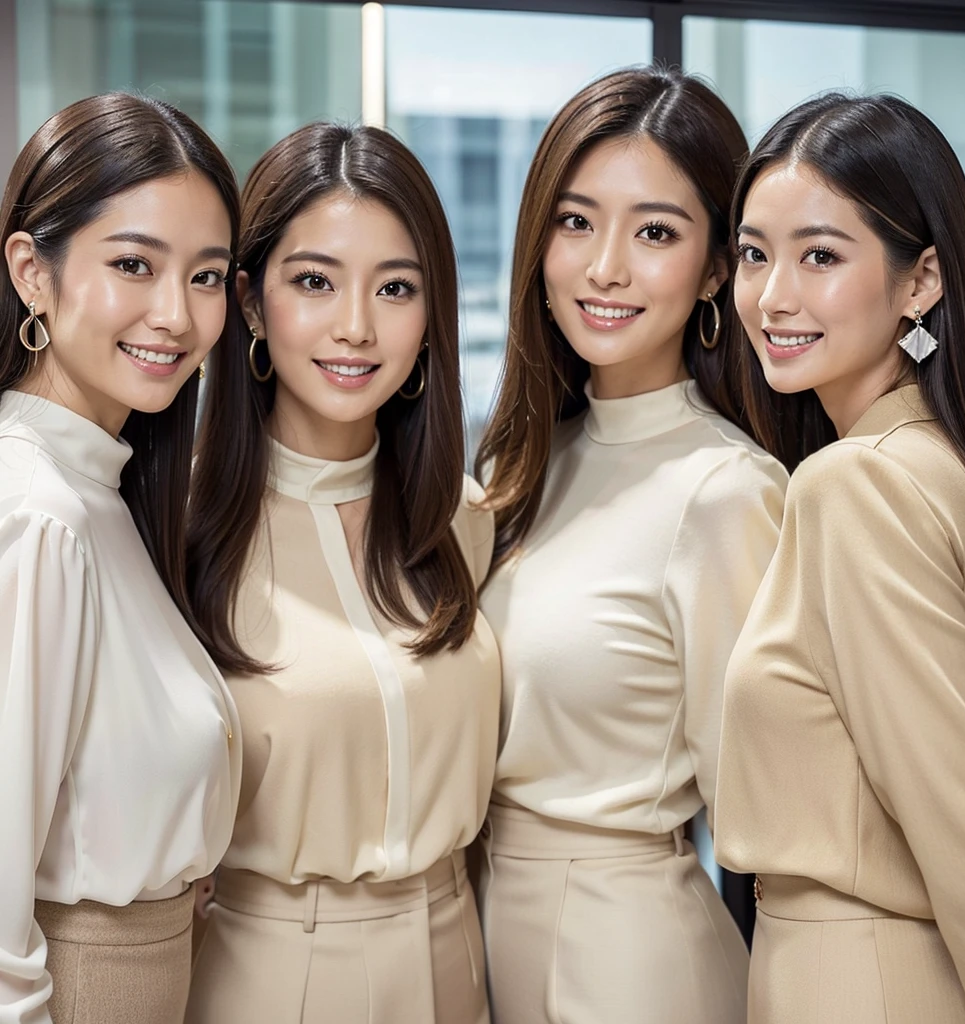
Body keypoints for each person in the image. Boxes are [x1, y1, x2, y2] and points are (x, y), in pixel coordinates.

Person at [475, 67, 788, 1024]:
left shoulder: (726, 490)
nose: (604, 265)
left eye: (655, 232)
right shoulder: (525, 463)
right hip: (478, 929)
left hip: (624, 959)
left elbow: (763, 817)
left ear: (714, 271)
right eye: (575, 222)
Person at [715, 92, 965, 1024]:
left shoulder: (857, 485)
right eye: (754, 254)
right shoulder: (931, 463)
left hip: (859, 978)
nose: (773, 296)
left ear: (921, 280)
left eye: (820, 256)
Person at [184, 122, 499, 1024]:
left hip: (457, 958)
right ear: (249, 301)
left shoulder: (461, 522)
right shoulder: (182, 534)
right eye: (314, 282)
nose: (356, 327)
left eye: (395, 288)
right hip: (273, 974)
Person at [0, 92, 242, 1024]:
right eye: (134, 265)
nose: (175, 316)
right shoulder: (39, 515)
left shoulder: (107, 496)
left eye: (208, 276)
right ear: (32, 270)